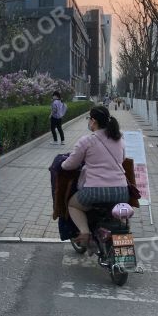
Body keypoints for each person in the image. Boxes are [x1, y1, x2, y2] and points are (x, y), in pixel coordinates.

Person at [61, 105, 128, 247]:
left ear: (93, 121)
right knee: (118, 215)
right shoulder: (119, 138)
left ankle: (85, 232)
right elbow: (122, 159)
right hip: (122, 191)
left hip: (94, 192)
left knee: (73, 205)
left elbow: (70, 165)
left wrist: (61, 164)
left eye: (89, 119)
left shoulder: (87, 141)